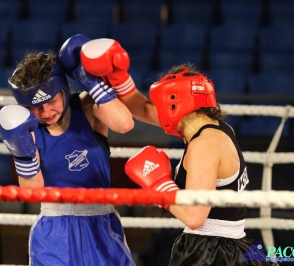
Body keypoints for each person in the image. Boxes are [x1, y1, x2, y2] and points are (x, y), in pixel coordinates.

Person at [80, 38, 275, 265]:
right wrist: (118, 77)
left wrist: (160, 187)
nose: (157, 109)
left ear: (174, 103)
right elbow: (141, 107)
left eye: (162, 103)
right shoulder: (207, 127)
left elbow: (195, 217)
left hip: (214, 252)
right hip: (223, 246)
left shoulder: (204, 145)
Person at [0, 34, 136, 265]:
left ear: (62, 89)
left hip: (101, 222)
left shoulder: (88, 108)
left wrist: (92, 82)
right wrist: (23, 153)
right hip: (55, 230)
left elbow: (125, 124)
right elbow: (32, 193)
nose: (46, 112)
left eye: (51, 100)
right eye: (36, 107)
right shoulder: (27, 131)